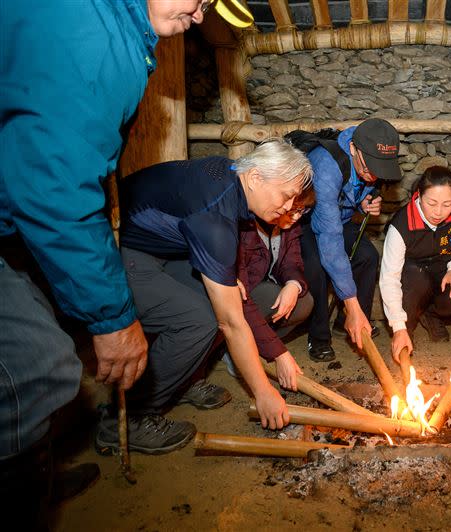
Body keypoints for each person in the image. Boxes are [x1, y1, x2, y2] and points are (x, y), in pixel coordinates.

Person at [0, 0, 251, 524]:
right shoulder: (91, 36)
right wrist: (112, 316)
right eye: (198, 0)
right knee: (37, 369)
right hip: (35, 205)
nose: (201, 17)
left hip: (20, 210)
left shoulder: (120, 29)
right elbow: (54, 186)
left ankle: (33, 471)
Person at [95, 140, 311, 455]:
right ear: (255, 178)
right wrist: (262, 391)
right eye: (286, 195)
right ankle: (125, 420)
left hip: (165, 247)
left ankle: (180, 381)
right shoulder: (216, 217)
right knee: (199, 320)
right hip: (116, 246)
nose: (290, 207)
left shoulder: (228, 176)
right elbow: (232, 322)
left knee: (215, 303)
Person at [300, 118, 403, 362]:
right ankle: (319, 337)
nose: (373, 175)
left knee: (367, 257)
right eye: (368, 168)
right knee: (317, 267)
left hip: (340, 219)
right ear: (354, 149)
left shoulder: (370, 154)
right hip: (306, 222)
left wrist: (364, 202)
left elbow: (352, 194)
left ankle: (352, 323)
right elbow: (330, 240)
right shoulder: (325, 168)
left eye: (379, 169)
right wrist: (350, 302)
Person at [222, 188, 316, 389]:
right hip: (241, 295)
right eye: (292, 210)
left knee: (304, 302)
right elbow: (241, 293)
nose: (297, 216)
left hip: (263, 288)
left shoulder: (289, 225)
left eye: (303, 210)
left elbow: (292, 263)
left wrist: (293, 284)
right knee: (269, 295)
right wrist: (279, 354)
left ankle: (256, 346)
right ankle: (235, 350)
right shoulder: (245, 228)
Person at [380, 166, 451, 363]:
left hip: (442, 267)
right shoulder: (401, 225)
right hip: (412, 272)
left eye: (447, 204)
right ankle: (407, 326)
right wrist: (398, 327)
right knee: (415, 280)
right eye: (432, 203)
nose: (439, 212)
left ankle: (430, 314)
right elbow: (389, 279)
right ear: (419, 195)